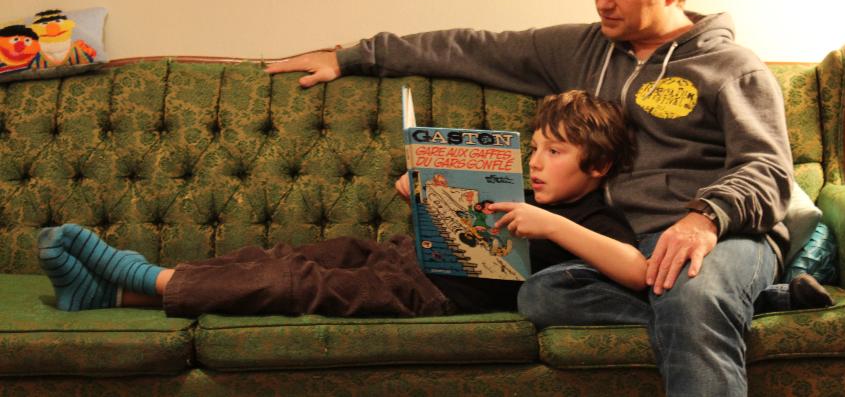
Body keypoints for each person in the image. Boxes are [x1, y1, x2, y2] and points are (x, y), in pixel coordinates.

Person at [263, 0, 803, 396]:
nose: (602, 2)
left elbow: (768, 170)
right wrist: (353, 56)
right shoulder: (583, 48)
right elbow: (472, 47)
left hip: (718, 237)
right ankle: (753, 305)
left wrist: (703, 219)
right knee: (544, 296)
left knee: (691, 293)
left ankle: (715, 305)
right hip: (619, 247)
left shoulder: (732, 68)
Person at [37, 91, 647, 318]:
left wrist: (549, 225)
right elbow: (461, 233)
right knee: (294, 253)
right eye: (535, 148)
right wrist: (428, 195)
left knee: (300, 283)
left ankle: (142, 274)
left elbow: (637, 270)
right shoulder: (514, 192)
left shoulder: (597, 219)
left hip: (428, 296)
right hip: (402, 257)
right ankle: (109, 295)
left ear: (597, 167)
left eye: (555, 153)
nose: (536, 162)